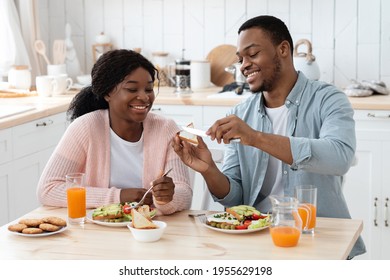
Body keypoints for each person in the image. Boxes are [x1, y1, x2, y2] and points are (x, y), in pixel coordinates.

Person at [172, 15, 366, 258]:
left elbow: (340, 157)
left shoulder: (328, 99)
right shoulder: (240, 113)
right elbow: (236, 200)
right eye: (241, 59)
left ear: (283, 49)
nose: (244, 65)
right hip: (258, 238)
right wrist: (209, 168)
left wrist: (255, 137)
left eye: (252, 54)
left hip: (316, 235)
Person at [37, 49, 192, 215]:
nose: (145, 97)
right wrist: (119, 196)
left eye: (148, 89)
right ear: (107, 93)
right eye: (132, 90)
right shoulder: (85, 128)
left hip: (149, 232)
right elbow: (48, 189)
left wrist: (166, 199)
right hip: (96, 231)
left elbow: (185, 194)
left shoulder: (166, 129)